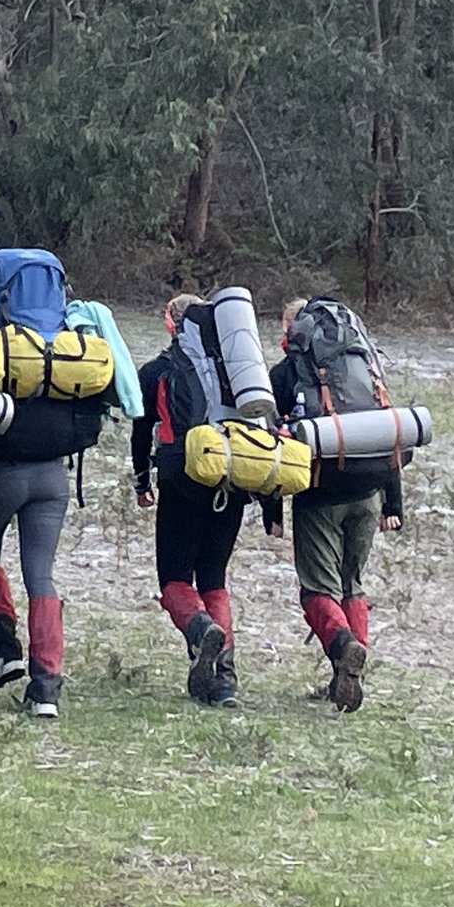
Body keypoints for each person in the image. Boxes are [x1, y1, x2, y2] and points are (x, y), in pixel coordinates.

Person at [0, 249, 120, 720]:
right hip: (54, 475)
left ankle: (3, 647)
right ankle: (46, 685)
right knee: (41, 575)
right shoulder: (72, 337)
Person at [131, 294, 281, 709]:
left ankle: (200, 633)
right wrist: (272, 508)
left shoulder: (158, 371)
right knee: (213, 577)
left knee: (174, 578)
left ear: (171, 323)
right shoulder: (239, 373)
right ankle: (225, 681)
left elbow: (141, 432)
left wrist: (142, 481)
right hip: (233, 482)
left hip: (181, 483)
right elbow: (266, 433)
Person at [273, 296, 405, 713]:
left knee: (317, 589)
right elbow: (387, 429)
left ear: (294, 333)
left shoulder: (285, 373)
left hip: (319, 496)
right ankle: (347, 675)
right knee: (353, 585)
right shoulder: (364, 367)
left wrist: (272, 511)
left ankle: (344, 646)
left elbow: (271, 445)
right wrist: (391, 503)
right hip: (370, 493)